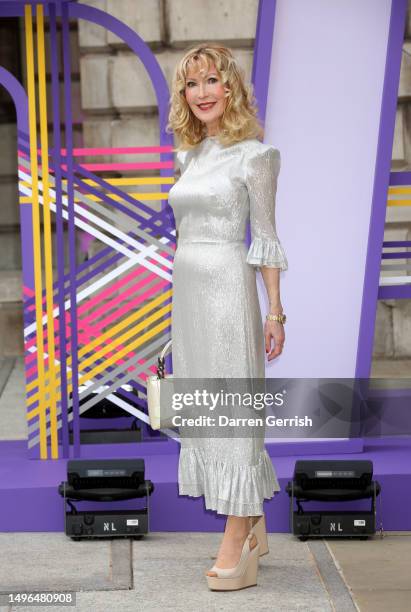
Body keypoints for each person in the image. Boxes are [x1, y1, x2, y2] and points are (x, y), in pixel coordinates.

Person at [166, 43, 288, 591]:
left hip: (229, 293)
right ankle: (252, 519)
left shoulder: (256, 155)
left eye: (211, 80)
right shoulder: (186, 157)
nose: (202, 93)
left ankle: (238, 541)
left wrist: (276, 313)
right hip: (188, 293)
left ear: (231, 87)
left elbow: (264, 238)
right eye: (192, 85)